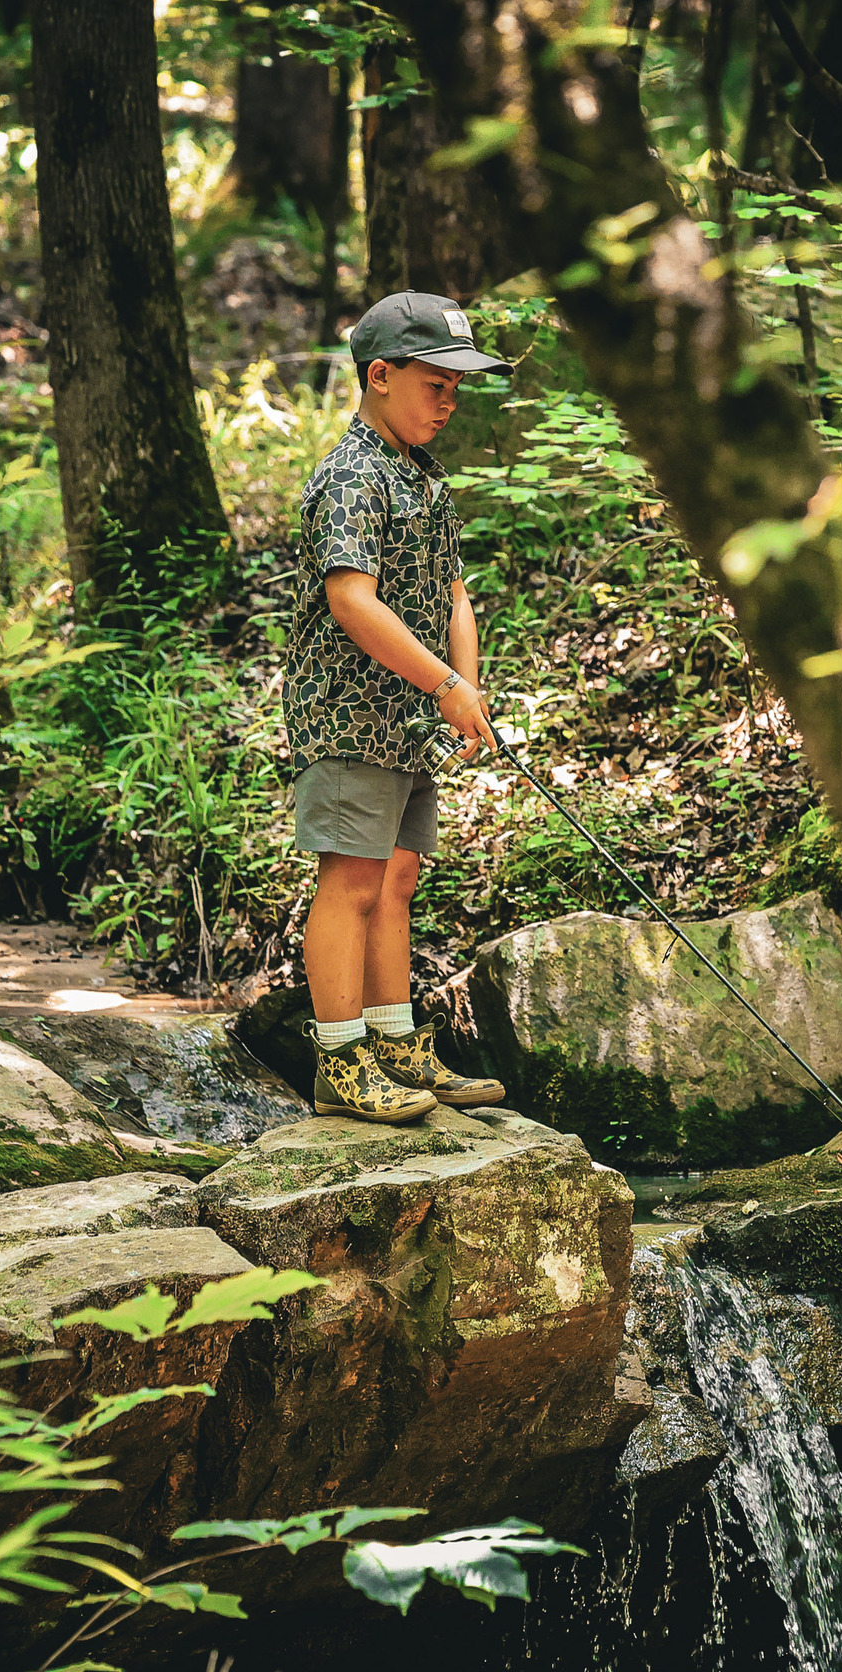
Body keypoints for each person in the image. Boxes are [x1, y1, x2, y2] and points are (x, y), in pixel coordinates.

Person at [282, 290, 513, 1124]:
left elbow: (454, 590)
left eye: (459, 387)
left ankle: (397, 1042)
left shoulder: (424, 474)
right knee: (350, 879)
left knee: (398, 878)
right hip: (350, 716)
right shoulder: (350, 477)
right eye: (437, 384)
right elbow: (353, 601)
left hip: (408, 719)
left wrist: (466, 680)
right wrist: (444, 686)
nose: (450, 402)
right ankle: (340, 1061)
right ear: (380, 376)